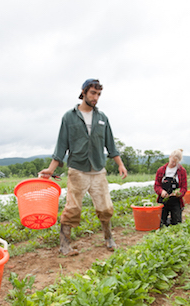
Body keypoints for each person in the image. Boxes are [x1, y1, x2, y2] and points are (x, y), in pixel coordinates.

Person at [39, 78, 128, 256]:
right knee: (72, 208)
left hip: (98, 170)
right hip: (77, 170)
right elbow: (61, 146)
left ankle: (108, 238)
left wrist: (120, 164)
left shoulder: (102, 118)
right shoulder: (69, 117)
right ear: (84, 92)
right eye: (93, 93)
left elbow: (111, 144)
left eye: (99, 94)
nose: (96, 97)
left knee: (105, 207)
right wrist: (51, 169)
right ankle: (64, 245)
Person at [154, 149, 188, 226]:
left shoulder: (182, 171)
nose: (173, 164)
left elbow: (184, 187)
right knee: (160, 223)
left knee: (177, 224)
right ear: (169, 157)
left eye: (176, 162)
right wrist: (161, 191)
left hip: (175, 200)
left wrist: (179, 193)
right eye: (172, 161)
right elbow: (157, 185)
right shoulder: (161, 170)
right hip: (163, 200)